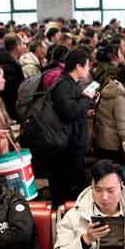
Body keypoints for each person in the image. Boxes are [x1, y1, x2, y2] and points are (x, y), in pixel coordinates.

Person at [48, 48, 94, 207]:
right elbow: (70, 112)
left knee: (72, 186)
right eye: (87, 66)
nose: (89, 70)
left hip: (72, 145)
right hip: (66, 149)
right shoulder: (62, 85)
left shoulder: (70, 83)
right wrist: (86, 99)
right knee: (66, 189)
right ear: (78, 66)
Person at [93, 65, 125, 164]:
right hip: (112, 144)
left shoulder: (109, 88)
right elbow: (123, 129)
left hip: (101, 139)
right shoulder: (120, 99)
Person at [0, 34, 25, 120]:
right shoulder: (9, 68)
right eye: (22, 44)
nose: (24, 47)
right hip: (10, 111)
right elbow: (12, 94)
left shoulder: (5, 62)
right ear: (17, 46)